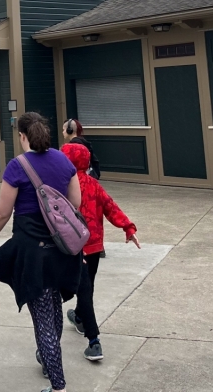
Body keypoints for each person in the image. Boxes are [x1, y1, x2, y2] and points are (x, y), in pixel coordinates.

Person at [0, 112, 83, 392]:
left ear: (22, 136)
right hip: (62, 248)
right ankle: (48, 357)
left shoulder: (17, 166)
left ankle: (58, 385)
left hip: (32, 251)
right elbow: (76, 201)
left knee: (42, 319)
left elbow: (2, 212)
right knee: (52, 306)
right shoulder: (63, 160)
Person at [60, 142, 139, 362]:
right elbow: (111, 207)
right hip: (94, 247)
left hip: (74, 248)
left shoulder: (62, 185)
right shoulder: (94, 184)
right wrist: (128, 227)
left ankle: (94, 341)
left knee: (82, 290)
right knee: (87, 286)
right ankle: (79, 316)